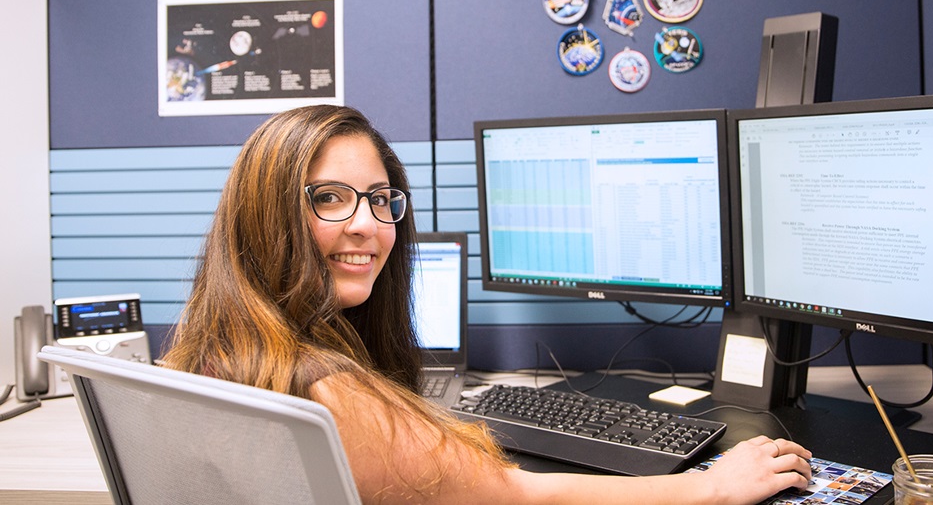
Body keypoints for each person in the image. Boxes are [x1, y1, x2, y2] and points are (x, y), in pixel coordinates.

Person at [163, 104, 813, 504]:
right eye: (329, 197)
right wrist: (707, 487)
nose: (369, 224)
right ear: (266, 212)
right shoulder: (332, 392)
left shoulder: (211, 352)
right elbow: (517, 494)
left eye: (381, 198)